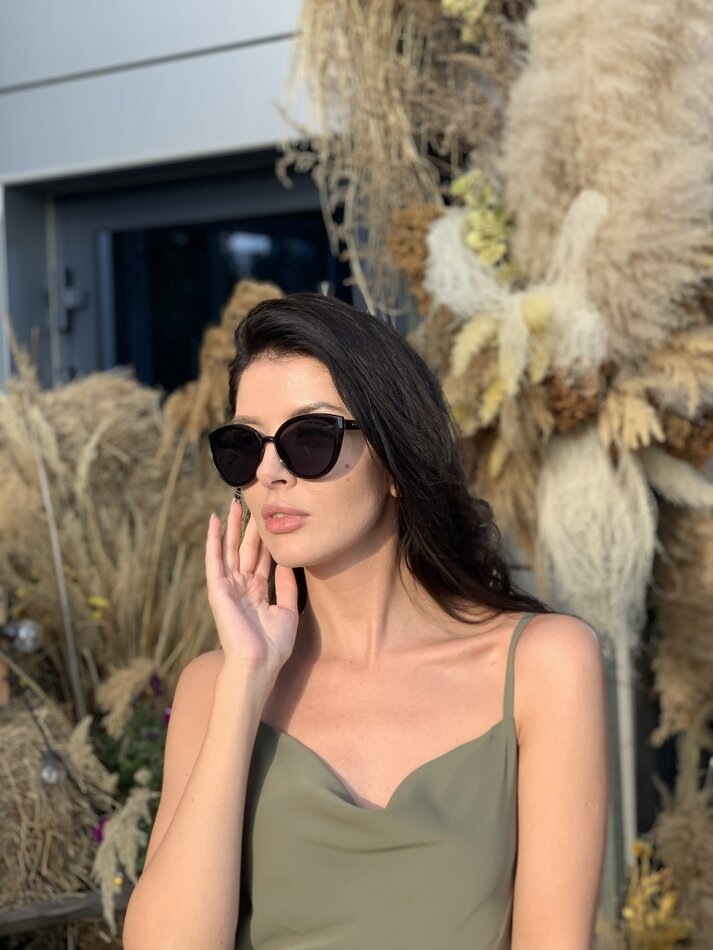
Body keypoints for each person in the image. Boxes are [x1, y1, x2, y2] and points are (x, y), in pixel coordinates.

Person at [122, 293, 608, 950]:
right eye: (244, 446)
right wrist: (246, 678)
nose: (269, 472)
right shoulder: (217, 686)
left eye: (309, 438)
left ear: (396, 462)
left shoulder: (542, 665)